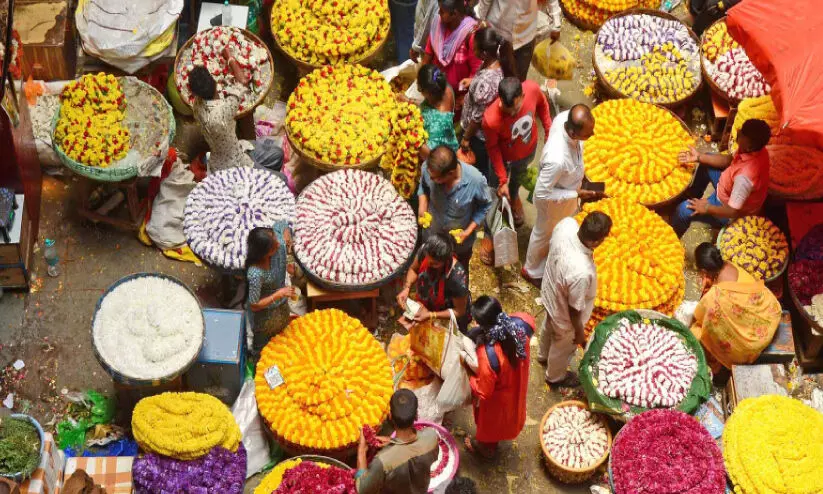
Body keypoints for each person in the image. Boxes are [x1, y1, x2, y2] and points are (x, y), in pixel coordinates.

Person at [522, 104, 601, 286]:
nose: (592, 136)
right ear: (573, 134)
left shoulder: (565, 117)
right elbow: (542, 193)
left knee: (553, 231)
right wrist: (575, 193)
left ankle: (545, 259)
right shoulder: (557, 158)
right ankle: (531, 270)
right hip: (553, 203)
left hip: (566, 193)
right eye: (588, 135)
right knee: (543, 232)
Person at [539, 212, 612, 387]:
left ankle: (542, 356)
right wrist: (579, 331)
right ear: (595, 242)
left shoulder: (566, 225)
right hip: (564, 315)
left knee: (548, 325)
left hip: (550, 293)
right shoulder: (581, 271)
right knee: (562, 345)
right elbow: (574, 308)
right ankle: (555, 377)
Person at [462, 296, 535, 458]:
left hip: (499, 400)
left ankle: (487, 448)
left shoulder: (488, 355)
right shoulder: (518, 326)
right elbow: (530, 320)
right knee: (512, 414)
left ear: (481, 324)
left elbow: (483, 391)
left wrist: (469, 375)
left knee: (493, 424)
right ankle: (494, 440)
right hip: (518, 382)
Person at [672, 119, 772, 237]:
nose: (738, 133)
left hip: (727, 210)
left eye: (741, 135)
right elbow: (728, 160)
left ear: (749, 147)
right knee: (707, 158)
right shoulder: (755, 150)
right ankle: (692, 195)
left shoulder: (745, 177)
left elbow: (732, 211)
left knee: (682, 210)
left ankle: (672, 234)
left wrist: (706, 207)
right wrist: (698, 157)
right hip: (727, 185)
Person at [690, 243, 781, 372]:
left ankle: (716, 367)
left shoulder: (715, 297)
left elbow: (700, 315)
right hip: (770, 313)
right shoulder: (730, 265)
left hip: (752, 343)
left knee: (697, 332)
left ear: (704, 272)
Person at [481, 77, 552, 226]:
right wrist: (502, 179)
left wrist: (548, 131)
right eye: (509, 110)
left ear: (523, 96)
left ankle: (513, 196)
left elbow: (543, 105)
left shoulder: (532, 89)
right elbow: (493, 149)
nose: (513, 113)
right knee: (496, 186)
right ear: (500, 99)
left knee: (518, 176)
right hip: (503, 159)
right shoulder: (490, 120)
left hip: (528, 150)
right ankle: (499, 205)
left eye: (517, 108)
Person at [417, 146, 493, 275]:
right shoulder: (428, 168)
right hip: (433, 235)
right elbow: (423, 186)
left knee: (458, 274)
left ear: (451, 173)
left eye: (436, 179)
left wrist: (468, 231)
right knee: (432, 269)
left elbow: (485, 206)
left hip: (459, 246)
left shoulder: (475, 181)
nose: (432, 180)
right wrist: (422, 204)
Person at [459, 26, 516, 179]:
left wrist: (466, 138)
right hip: (481, 131)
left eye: (475, 48)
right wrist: (473, 82)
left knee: (476, 170)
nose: (473, 51)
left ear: (483, 53)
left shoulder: (486, 82)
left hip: (477, 136)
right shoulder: (497, 58)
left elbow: (477, 118)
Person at [356, 390, 439, 494]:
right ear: (417, 415)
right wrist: (392, 442)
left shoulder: (382, 462)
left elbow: (362, 490)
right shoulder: (431, 437)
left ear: (390, 416)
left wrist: (361, 451)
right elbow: (413, 452)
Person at [397, 232, 473, 333]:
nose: (428, 263)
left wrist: (431, 315)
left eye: (434, 264)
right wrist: (407, 288)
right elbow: (414, 270)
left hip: (446, 313)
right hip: (428, 303)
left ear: (446, 260)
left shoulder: (457, 277)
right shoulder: (425, 250)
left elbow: (459, 311)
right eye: (427, 259)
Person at [189, 57, 255, 172]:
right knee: (277, 156)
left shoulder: (196, 104)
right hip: (236, 160)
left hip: (217, 157)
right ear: (214, 82)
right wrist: (229, 57)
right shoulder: (224, 110)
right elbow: (243, 82)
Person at [245, 221, 296, 355]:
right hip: (266, 315)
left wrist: (288, 240)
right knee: (262, 348)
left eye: (275, 237)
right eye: (274, 246)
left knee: (282, 339)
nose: (279, 243)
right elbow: (254, 305)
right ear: (265, 253)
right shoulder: (256, 273)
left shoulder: (277, 241)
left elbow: (282, 224)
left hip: (282, 306)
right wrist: (278, 294)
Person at [422, 0, 483, 103]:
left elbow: (476, 72)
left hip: (457, 98)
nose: (438, 13)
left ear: (454, 14)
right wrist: (423, 79)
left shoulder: (470, 35)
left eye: (442, 11)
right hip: (435, 92)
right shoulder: (438, 24)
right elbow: (429, 52)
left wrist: (465, 99)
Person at [474, 0, 540, 81]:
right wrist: (481, 20)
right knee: (494, 76)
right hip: (499, 31)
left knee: (519, 79)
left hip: (526, 35)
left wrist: (556, 25)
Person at [417, 65, 460, 158]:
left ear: (428, 93)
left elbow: (431, 156)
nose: (418, 90)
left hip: (442, 158)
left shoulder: (437, 124)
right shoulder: (444, 87)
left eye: (419, 89)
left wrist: (411, 134)